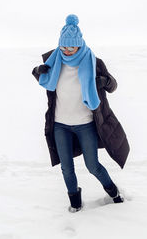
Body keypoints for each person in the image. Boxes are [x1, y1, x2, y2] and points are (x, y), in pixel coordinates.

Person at [32, 14, 130, 213]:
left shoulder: (93, 61)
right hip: (60, 125)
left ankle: (113, 192)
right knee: (66, 168)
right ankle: (75, 203)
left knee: (93, 165)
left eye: (71, 47)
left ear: (79, 44)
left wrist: (104, 82)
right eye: (63, 47)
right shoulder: (53, 60)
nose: (66, 51)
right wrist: (37, 70)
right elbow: (42, 76)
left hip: (85, 124)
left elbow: (113, 85)